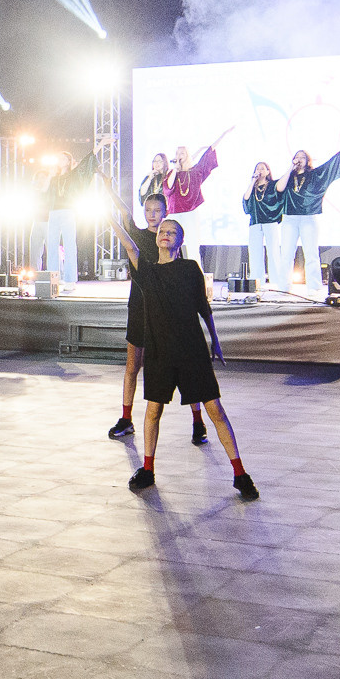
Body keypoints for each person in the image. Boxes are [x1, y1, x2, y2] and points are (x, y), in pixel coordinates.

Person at [100, 201, 256, 498]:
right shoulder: (147, 272)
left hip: (192, 352)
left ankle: (240, 474)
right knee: (153, 411)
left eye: (172, 231)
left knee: (216, 411)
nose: (165, 233)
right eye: (162, 230)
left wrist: (216, 341)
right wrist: (111, 219)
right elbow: (131, 246)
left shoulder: (189, 268)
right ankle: (148, 469)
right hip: (159, 353)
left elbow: (203, 308)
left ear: (180, 241)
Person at [107, 191, 208, 450]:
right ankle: (126, 418)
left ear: (165, 213)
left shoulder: (170, 239)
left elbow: (182, 279)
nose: (152, 215)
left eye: (157, 211)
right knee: (133, 365)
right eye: (148, 210)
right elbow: (125, 215)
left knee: (184, 369)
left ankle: (198, 421)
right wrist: (108, 190)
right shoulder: (138, 236)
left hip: (166, 314)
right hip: (140, 308)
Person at [277, 143, 340, 300]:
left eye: (302, 157)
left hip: (309, 217)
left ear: (308, 161)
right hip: (289, 218)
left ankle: (313, 286)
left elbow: (330, 164)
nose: (299, 159)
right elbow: (279, 188)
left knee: (311, 253)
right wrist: (290, 168)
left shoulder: (314, 175)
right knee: (286, 253)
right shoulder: (288, 177)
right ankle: (283, 286)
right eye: (296, 156)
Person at [163, 127, 235, 216]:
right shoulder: (172, 173)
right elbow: (167, 189)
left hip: (192, 214)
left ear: (187, 155)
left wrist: (223, 135)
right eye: (177, 153)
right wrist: (175, 169)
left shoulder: (194, 173)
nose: (179, 156)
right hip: (175, 214)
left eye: (182, 153)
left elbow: (207, 156)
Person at [239, 162, 284, 290]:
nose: (260, 170)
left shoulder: (272, 185)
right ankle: (257, 280)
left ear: (268, 171)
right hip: (255, 222)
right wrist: (252, 181)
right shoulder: (252, 186)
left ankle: (275, 281)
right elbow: (246, 198)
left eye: (263, 168)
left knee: (273, 250)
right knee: (254, 251)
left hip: (270, 221)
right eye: (257, 168)